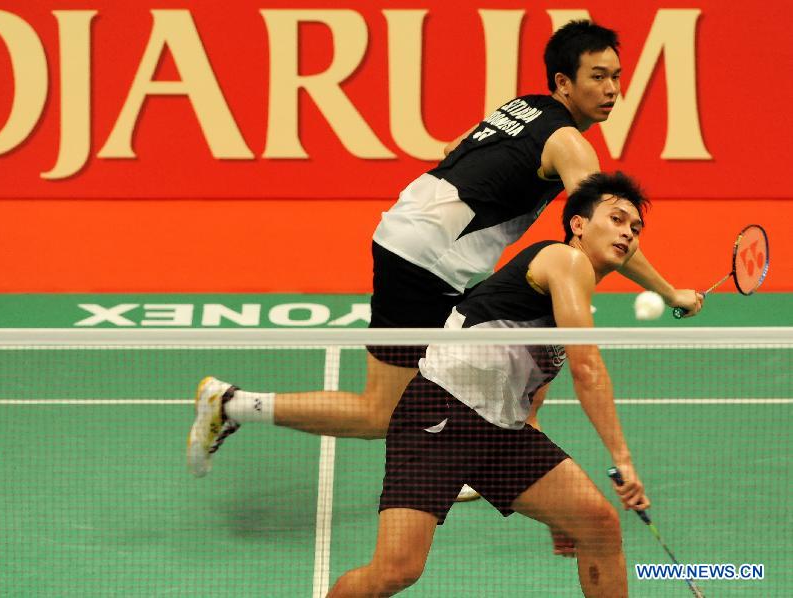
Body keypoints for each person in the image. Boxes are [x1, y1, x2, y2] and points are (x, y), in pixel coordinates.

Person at [186, 20, 703, 483]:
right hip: (428, 260)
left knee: (483, 357)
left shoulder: (522, 107)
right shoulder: (569, 142)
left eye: (615, 75)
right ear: (564, 82)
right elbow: (600, 228)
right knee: (380, 412)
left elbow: (455, 149)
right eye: (597, 76)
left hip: (408, 233)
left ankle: (477, 453)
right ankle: (233, 404)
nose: (611, 89)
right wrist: (668, 289)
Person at [327, 171, 652, 597]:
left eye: (635, 228)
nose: (627, 232)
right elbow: (587, 369)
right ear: (578, 224)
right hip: (440, 415)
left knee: (596, 524)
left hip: (500, 434)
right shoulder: (562, 260)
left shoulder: (562, 301)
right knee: (396, 570)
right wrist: (622, 459)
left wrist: (560, 513)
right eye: (617, 219)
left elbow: (530, 407)